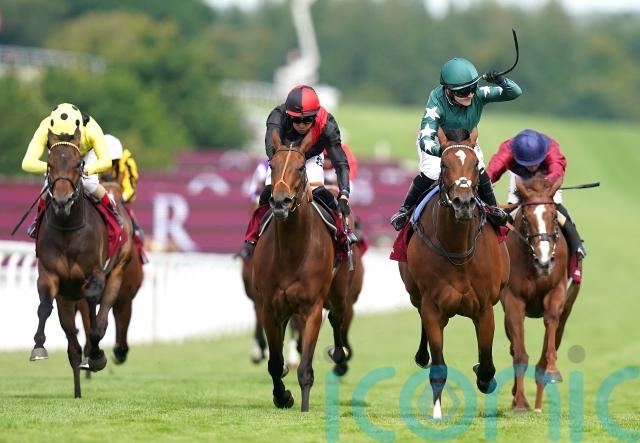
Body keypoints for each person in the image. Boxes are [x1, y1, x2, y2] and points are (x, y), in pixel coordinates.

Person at [389, 57, 522, 231]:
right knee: (432, 171)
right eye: (464, 91)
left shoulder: (477, 94)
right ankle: (405, 210)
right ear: (449, 91)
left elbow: (515, 92)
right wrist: (441, 151)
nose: (470, 95)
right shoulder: (436, 102)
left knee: (479, 169)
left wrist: (500, 80)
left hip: (466, 141)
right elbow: (425, 139)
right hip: (439, 142)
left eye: (472, 88)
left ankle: (493, 209)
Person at [237, 84, 352, 261]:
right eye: (296, 120)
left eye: (308, 120)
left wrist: (344, 194)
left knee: (319, 192)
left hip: (310, 157)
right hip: (282, 155)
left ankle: (342, 236)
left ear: (316, 115)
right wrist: (284, 168)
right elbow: (271, 148)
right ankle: (251, 239)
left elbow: (340, 162)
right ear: (288, 115)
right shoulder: (277, 117)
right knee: (268, 192)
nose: (302, 125)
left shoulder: (327, 125)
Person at [22, 103, 123, 238]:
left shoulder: (92, 129)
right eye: (58, 136)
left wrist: (87, 170)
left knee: (89, 183)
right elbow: (27, 162)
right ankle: (37, 221)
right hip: (58, 154)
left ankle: (113, 211)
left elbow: (106, 161)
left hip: (86, 153)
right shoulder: (45, 127)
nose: (65, 140)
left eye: (69, 137)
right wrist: (52, 168)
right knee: (48, 184)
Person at [486, 128, 587, 261]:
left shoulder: (551, 148)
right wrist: (487, 181)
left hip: (546, 178)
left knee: (559, 211)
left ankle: (577, 247)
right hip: (520, 178)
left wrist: (541, 190)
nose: (532, 167)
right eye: (528, 164)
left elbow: (557, 169)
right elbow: (495, 167)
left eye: (535, 163)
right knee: (506, 215)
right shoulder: (508, 149)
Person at [104, 134, 145, 241]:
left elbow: (130, 187)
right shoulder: (92, 158)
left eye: (113, 161)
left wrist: (122, 198)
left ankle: (136, 240)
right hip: (97, 197)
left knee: (137, 235)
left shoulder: (127, 163)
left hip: (118, 200)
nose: (110, 165)